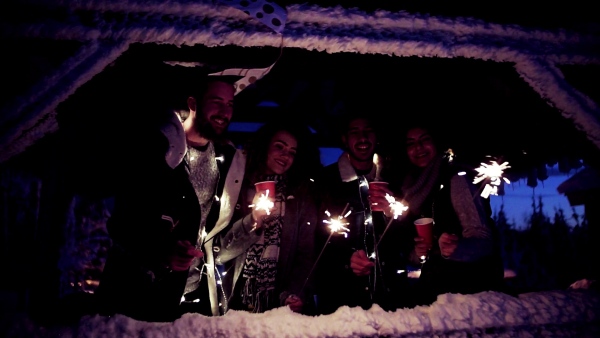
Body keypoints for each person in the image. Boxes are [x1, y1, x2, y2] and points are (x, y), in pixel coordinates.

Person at [216, 117, 322, 314]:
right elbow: (221, 254)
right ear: (264, 146)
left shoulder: (300, 196)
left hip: (282, 310)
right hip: (237, 307)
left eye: (292, 152)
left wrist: (295, 293)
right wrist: (253, 220)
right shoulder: (237, 188)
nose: (285, 156)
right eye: (280, 147)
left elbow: (306, 254)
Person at [313, 111, 413, 315]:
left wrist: (390, 213)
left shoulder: (392, 180)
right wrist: (346, 261)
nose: (363, 138)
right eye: (355, 132)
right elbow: (315, 237)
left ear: (376, 137)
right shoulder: (326, 181)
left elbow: (405, 237)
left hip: (389, 296)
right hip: (340, 297)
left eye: (368, 131)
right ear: (344, 139)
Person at [396, 122, 505, 306]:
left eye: (425, 140)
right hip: (437, 288)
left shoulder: (456, 179)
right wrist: (418, 253)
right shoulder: (411, 188)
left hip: (471, 290)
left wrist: (457, 247)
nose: (418, 148)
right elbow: (418, 252)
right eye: (411, 143)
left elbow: (484, 242)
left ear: (437, 142)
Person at [178, 77, 246, 317]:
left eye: (229, 104)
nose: (224, 112)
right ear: (193, 103)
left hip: (197, 293)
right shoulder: (160, 150)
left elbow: (217, 237)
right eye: (216, 101)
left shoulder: (227, 161)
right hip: (146, 289)